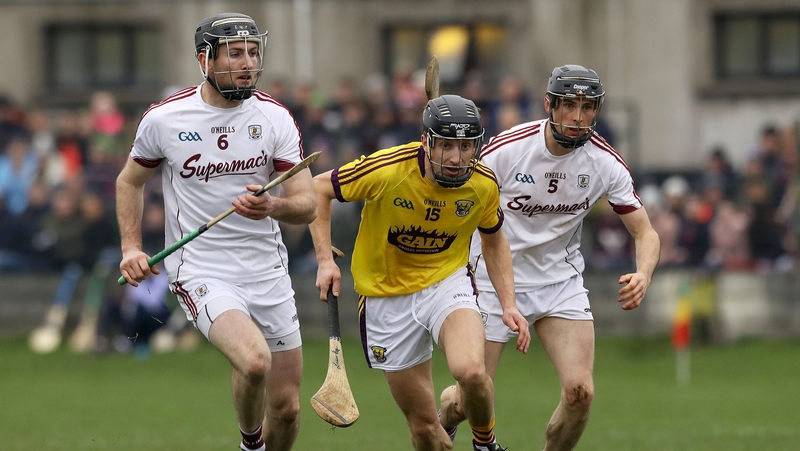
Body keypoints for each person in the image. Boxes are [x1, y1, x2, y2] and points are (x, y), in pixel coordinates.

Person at [115, 13, 316, 451]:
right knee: (256, 362)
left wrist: (273, 206)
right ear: (205, 60)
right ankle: (250, 445)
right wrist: (131, 246)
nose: (247, 63)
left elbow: (307, 204)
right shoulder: (165, 119)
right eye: (236, 54)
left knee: (287, 410)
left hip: (268, 272)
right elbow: (129, 181)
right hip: (203, 270)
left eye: (253, 53)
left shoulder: (275, 117)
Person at [438, 65, 661, 451]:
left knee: (580, 394)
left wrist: (644, 272)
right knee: (468, 398)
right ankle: (446, 413)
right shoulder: (508, 150)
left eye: (588, 107)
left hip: (560, 283)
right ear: (549, 105)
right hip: (493, 283)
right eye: (569, 105)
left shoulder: (605, 163)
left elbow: (645, 231)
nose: (578, 117)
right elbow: (457, 195)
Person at [308, 93, 531, 451]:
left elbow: (494, 241)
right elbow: (319, 188)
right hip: (385, 298)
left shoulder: (483, 184)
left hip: (447, 283)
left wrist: (509, 304)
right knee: (426, 430)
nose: (457, 159)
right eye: (445, 146)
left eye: (465, 146)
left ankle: (485, 444)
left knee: (473, 372)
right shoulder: (388, 170)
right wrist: (324, 259)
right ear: (426, 141)